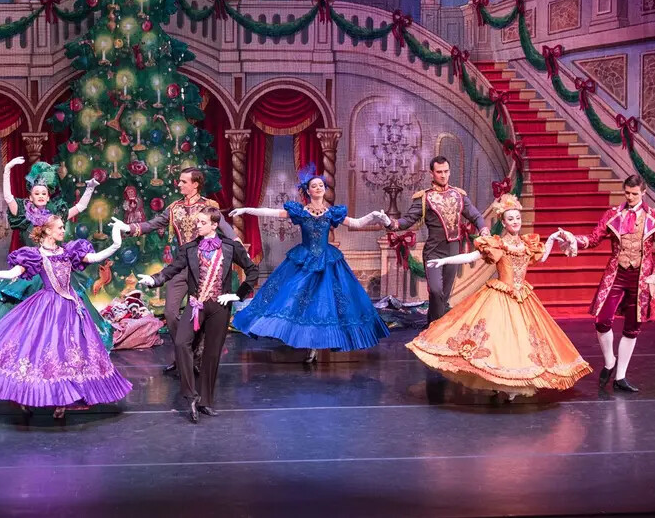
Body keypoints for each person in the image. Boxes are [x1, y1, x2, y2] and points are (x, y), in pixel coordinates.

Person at [405, 194, 591, 401]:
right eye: (510, 219)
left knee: (521, 341)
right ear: (503, 222)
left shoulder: (527, 243)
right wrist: (443, 261)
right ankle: (499, 381)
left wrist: (553, 240)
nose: (515, 222)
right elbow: (471, 257)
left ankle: (513, 380)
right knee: (498, 340)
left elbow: (541, 257)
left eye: (517, 218)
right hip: (501, 295)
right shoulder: (497, 244)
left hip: (522, 296)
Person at [0, 215, 133, 419]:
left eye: (63, 227)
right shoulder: (35, 255)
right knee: (38, 351)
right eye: (59, 227)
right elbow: (13, 274)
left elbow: (95, 258)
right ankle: (25, 395)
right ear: (47, 231)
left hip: (70, 308)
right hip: (46, 306)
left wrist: (116, 243)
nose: (63, 230)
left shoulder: (69, 251)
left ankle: (63, 400)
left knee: (68, 353)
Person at [229, 165, 391, 362]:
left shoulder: (332, 213)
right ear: (308, 190)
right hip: (303, 259)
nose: (318, 188)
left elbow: (356, 223)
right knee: (295, 298)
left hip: (327, 261)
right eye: (314, 186)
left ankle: (316, 345)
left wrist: (374, 216)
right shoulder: (300, 212)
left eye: (321, 185)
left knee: (325, 304)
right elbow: (271, 213)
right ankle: (303, 340)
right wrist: (247, 209)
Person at [0, 159, 113, 349]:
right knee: (18, 308)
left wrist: (90, 188)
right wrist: (7, 170)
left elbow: (80, 208)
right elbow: (8, 197)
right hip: (31, 269)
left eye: (44, 193)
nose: (41, 196)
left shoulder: (54, 214)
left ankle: (61, 346)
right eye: (37, 193)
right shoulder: (23, 212)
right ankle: (26, 345)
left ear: (49, 196)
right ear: (31, 195)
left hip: (56, 271)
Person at [137, 208, 259, 423]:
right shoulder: (190, 248)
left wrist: (236, 295)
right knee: (182, 342)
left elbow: (252, 270)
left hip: (219, 307)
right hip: (196, 306)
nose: (197, 226)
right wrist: (154, 280)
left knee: (212, 354)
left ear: (214, 225)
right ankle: (191, 394)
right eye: (197, 222)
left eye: (202, 222)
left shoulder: (231, 247)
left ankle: (206, 402)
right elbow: (172, 269)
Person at [556, 175, 655, 393]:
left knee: (632, 327)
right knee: (602, 319)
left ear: (643, 193)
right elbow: (594, 238)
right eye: (627, 193)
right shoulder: (613, 214)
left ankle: (621, 377)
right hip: (616, 274)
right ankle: (609, 361)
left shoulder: (653, 217)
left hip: (641, 278)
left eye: (635, 193)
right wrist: (573, 240)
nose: (630, 197)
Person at [118, 166, 236, 373]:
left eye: (183, 181)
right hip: (181, 266)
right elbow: (153, 224)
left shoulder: (209, 206)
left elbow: (224, 227)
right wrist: (128, 228)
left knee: (201, 314)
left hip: (205, 268)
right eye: (179, 181)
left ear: (195, 184)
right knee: (170, 313)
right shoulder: (174, 208)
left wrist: (236, 242)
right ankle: (184, 353)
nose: (179, 184)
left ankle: (195, 356)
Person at [383, 156, 489, 323]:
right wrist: (390, 223)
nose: (443, 175)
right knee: (436, 290)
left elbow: (475, 215)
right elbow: (407, 221)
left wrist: (483, 229)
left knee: (443, 295)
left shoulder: (458, 195)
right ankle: (435, 329)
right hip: (434, 251)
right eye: (439, 172)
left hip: (453, 251)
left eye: (446, 171)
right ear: (431, 173)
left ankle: (432, 328)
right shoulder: (425, 198)